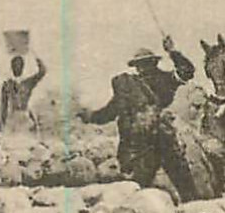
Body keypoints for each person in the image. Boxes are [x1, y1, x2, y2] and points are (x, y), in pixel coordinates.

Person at [78, 37, 195, 189]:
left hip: (146, 141)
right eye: (141, 65)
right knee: (178, 183)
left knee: (140, 187)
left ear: (152, 63)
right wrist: (172, 52)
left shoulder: (146, 83)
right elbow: (111, 112)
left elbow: (109, 113)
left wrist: (89, 117)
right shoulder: (158, 81)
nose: (142, 68)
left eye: (144, 64)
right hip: (155, 139)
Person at [0, 29, 48, 135]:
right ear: (12, 67)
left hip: (24, 116)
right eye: (15, 66)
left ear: (23, 67)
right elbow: (3, 105)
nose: (17, 68)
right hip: (12, 118)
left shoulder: (27, 83)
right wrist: (2, 123)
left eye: (20, 66)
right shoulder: (7, 84)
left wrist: (34, 54)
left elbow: (42, 71)